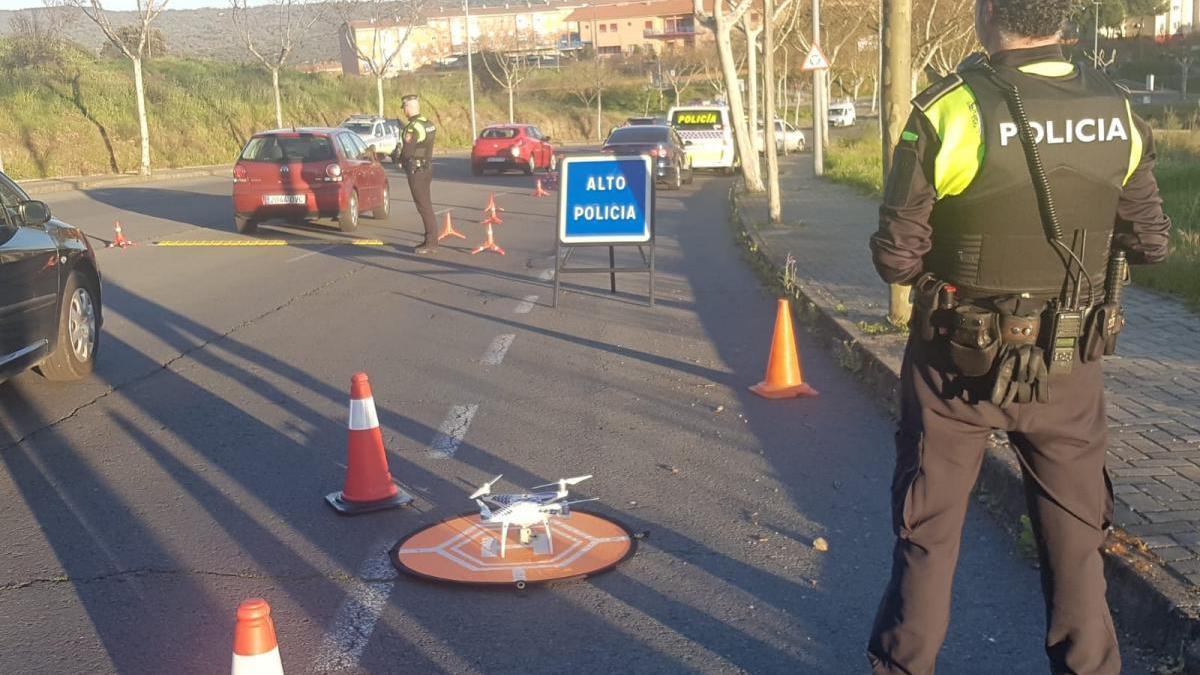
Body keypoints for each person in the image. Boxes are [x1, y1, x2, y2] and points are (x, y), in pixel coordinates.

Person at [867, 0, 1171, 673]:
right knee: (1076, 542)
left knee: (929, 535)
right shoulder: (1116, 110)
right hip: (1067, 366)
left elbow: (895, 255)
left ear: (984, 16)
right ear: (1064, 19)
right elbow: (1151, 241)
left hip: (955, 362)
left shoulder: (948, 109)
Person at [399, 94, 439, 254]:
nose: (404, 111)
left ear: (408, 108)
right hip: (427, 167)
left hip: (416, 170)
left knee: (423, 206)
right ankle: (431, 239)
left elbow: (408, 151)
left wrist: (399, 159)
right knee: (426, 205)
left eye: (404, 108)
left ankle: (431, 242)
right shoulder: (429, 124)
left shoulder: (413, 127)